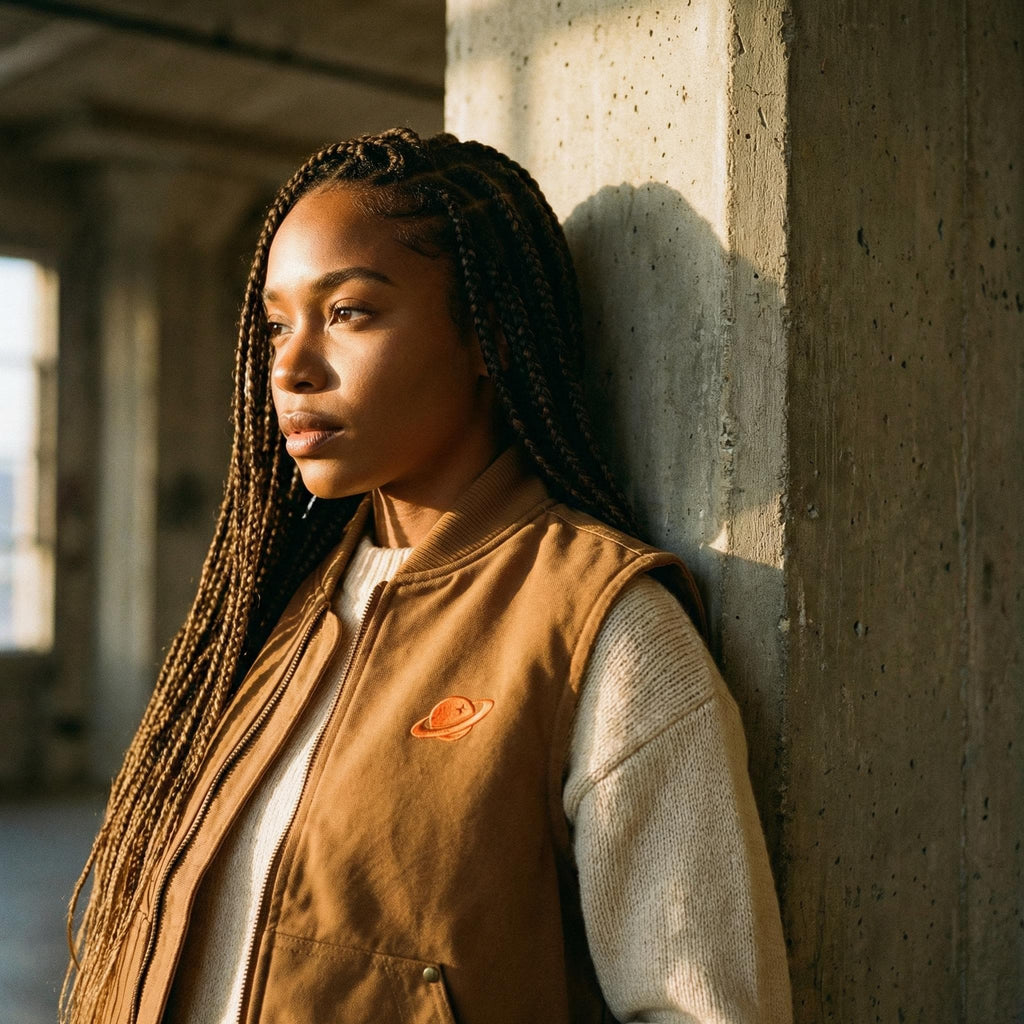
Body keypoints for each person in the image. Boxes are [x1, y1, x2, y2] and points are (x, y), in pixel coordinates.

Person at [63, 127, 792, 1024]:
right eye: (278, 323)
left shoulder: (604, 629)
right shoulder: (277, 609)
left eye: (351, 313)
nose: (289, 368)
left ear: (487, 334)